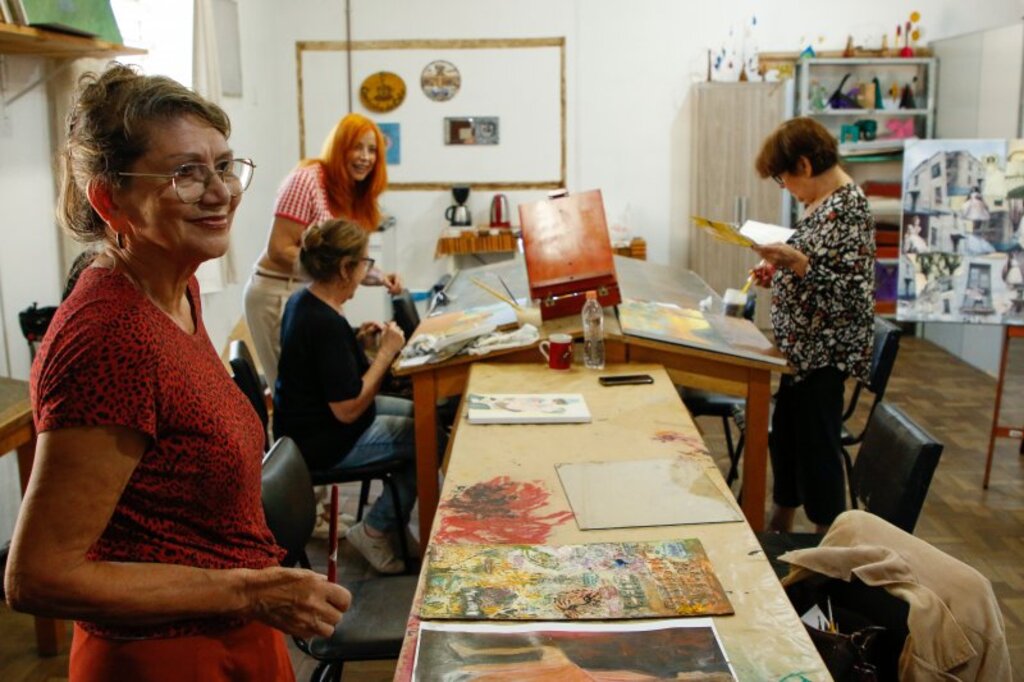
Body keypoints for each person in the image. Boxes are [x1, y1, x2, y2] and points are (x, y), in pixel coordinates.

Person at [4, 65, 350, 681]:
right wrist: (249, 592)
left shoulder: (176, 288)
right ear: (110, 199)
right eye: (185, 173)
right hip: (165, 658)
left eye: (223, 165)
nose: (220, 192)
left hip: (233, 631)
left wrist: (252, 594)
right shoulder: (109, 336)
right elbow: (40, 575)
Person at [750, 116, 874, 534]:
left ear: (803, 165)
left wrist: (798, 263)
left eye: (784, 179)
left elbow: (852, 292)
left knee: (818, 448)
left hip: (824, 354)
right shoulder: (819, 206)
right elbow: (812, 266)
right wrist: (780, 269)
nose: (787, 189)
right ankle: (780, 520)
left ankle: (830, 542)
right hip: (799, 353)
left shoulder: (849, 208)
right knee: (785, 439)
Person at [273, 218, 415, 575]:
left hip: (306, 428)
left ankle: (391, 525)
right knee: (429, 440)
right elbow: (349, 409)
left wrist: (357, 341)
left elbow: (325, 369)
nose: (367, 271)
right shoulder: (323, 323)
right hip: (324, 441)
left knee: (420, 415)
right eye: (364, 263)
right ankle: (375, 529)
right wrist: (384, 353)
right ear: (344, 268)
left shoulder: (304, 301)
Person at [243, 113, 402, 391]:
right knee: (294, 391)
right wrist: (340, 271)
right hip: (277, 294)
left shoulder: (351, 191)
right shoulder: (306, 181)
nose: (365, 157)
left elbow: (340, 257)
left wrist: (375, 275)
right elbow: (279, 249)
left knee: (316, 389)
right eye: (357, 147)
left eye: (372, 149)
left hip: (307, 294)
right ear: (340, 148)